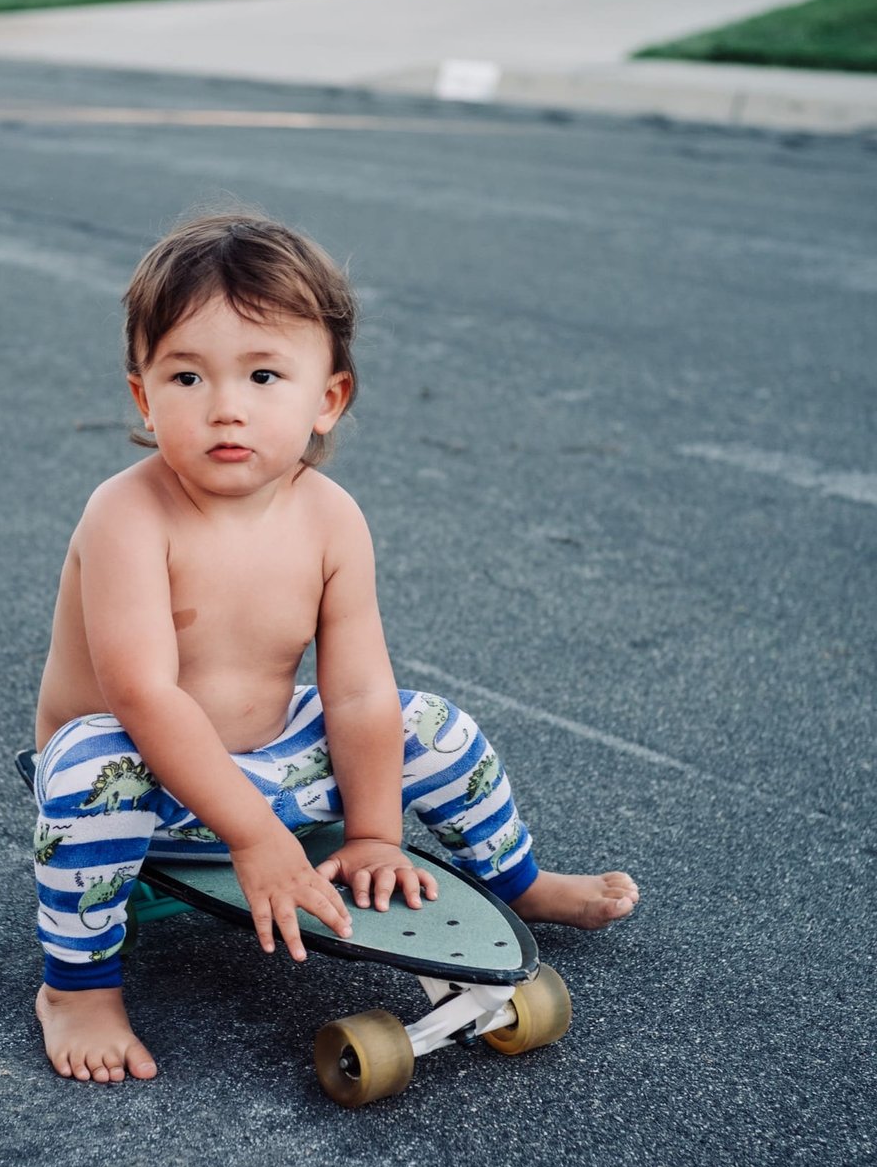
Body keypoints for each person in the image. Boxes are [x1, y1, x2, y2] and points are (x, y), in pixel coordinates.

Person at [32, 213, 638, 1083]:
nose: (226, 405)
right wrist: (253, 837)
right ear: (142, 395)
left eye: (264, 374)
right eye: (188, 375)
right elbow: (142, 696)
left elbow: (355, 692)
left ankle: (517, 877)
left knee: (427, 724)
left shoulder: (332, 518)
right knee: (91, 762)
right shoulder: (127, 515)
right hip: (147, 784)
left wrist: (375, 834)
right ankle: (78, 987)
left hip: (271, 765)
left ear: (328, 399)